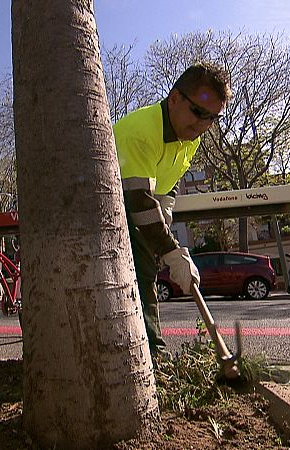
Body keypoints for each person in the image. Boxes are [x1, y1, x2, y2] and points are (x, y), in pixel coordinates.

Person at [113, 62, 231, 358]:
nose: (203, 125)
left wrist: (166, 205)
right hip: (100, 204)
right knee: (141, 269)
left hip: (134, 201)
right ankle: (152, 353)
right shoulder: (141, 132)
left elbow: (172, 178)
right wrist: (171, 251)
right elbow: (139, 202)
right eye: (199, 112)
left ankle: (147, 350)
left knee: (145, 268)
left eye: (212, 118)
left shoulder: (190, 134)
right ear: (175, 97)